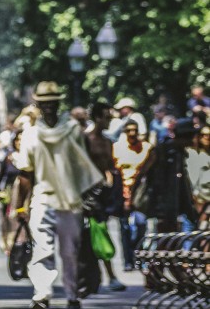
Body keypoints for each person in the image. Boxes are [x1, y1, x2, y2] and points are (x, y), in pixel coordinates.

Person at [12, 81, 103, 309]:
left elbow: (84, 165)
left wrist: (88, 197)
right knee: (42, 249)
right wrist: (20, 206)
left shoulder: (72, 129)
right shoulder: (31, 134)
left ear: (58, 103)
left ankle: (72, 294)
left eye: (53, 103)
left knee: (70, 253)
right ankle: (42, 294)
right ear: (38, 104)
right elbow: (26, 173)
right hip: (43, 198)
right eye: (45, 104)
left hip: (71, 200)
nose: (49, 108)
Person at [83, 102, 124, 291]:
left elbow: (109, 166)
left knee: (100, 233)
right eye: (107, 117)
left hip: (103, 194)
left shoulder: (107, 141)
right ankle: (99, 276)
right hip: (87, 194)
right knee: (92, 235)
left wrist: (110, 181)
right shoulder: (86, 139)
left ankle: (106, 276)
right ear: (97, 117)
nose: (109, 121)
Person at [144, 118, 198, 233]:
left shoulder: (179, 153)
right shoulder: (163, 152)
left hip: (174, 211)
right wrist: (161, 213)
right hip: (163, 212)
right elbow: (157, 183)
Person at [113, 121, 154, 270]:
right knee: (124, 228)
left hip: (140, 193)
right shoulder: (117, 148)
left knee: (141, 225)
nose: (132, 133)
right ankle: (128, 260)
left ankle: (139, 257)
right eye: (129, 130)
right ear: (124, 132)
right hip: (122, 192)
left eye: (135, 130)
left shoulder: (146, 148)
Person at [0, 129, 23, 252]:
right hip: (10, 193)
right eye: (18, 139)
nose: (20, 142)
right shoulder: (9, 158)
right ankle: (9, 243)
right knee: (8, 218)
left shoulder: (29, 158)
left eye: (22, 139)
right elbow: (0, 176)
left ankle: (21, 243)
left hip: (25, 194)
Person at [186, 125, 210, 227]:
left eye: (209, 135)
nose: (207, 137)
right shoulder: (193, 153)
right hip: (199, 198)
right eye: (204, 135)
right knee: (202, 227)